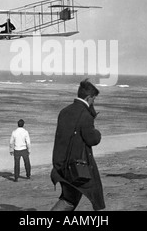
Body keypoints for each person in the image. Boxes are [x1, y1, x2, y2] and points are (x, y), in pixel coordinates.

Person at [50, 79, 105, 211]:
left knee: (69, 197)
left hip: (60, 163)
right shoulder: (85, 115)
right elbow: (92, 139)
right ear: (88, 97)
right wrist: (97, 133)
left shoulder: (64, 111)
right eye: (93, 99)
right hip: (77, 167)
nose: (94, 102)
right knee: (70, 200)